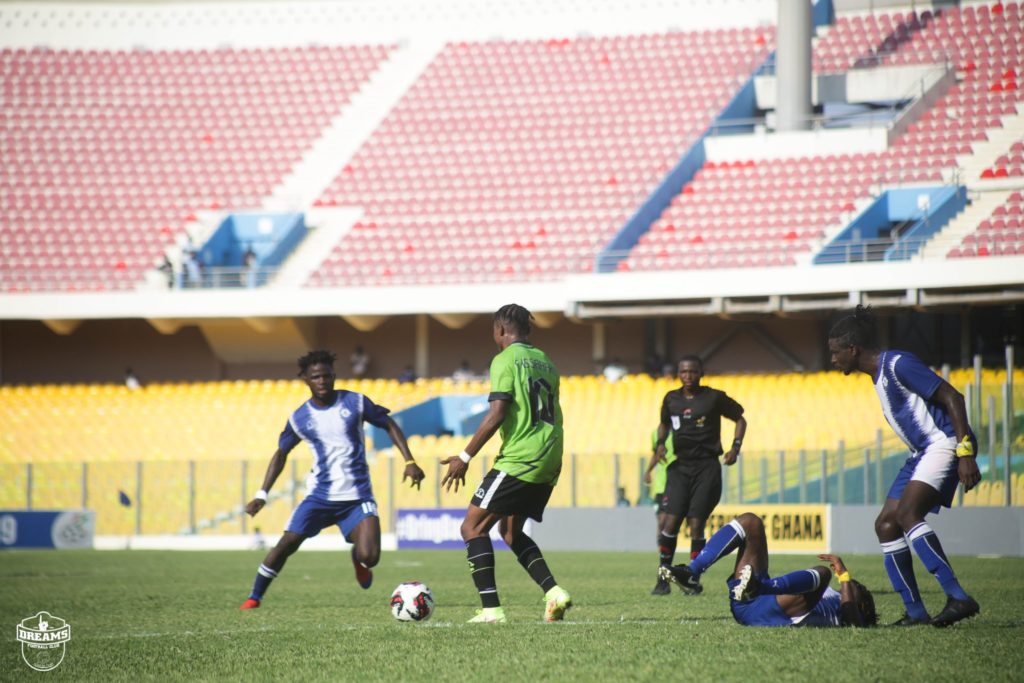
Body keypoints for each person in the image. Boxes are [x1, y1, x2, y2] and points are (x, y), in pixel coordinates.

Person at [828, 305, 981, 627]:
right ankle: (915, 612)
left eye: (835, 352)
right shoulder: (878, 376)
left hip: (944, 442)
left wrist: (965, 451)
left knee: (907, 514)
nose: (832, 359)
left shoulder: (898, 364)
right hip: (921, 452)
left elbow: (953, 397)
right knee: (886, 524)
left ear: (852, 349)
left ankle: (958, 596)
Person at [239, 350, 425, 609]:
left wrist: (409, 461)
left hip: (358, 497)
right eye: (316, 377)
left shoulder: (355, 402)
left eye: (327, 376)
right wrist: (262, 494)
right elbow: (281, 453)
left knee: (370, 557)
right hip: (320, 497)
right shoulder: (299, 418)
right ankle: (254, 597)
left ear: (334, 376)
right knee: (287, 543)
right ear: (305, 379)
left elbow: (388, 424)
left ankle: (357, 559)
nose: (322, 381)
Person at [440, 304, 572, 624]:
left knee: (472, 527)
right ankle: (554, 593)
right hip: (550, 455)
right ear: (529, 329)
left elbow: (497, 413)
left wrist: (465, 457)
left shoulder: (504, 359)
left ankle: (491, 611)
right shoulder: (546, 361)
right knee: (510, 531)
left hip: (521, 457)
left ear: (499, 330)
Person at [660, 512, 877, 628]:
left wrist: (844, 576)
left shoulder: (846, 611)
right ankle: (692, 572)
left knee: (824, 573)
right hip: (747, 600)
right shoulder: (833, 594)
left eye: (861, 590)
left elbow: (854, 623)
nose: (854, 585)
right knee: (751, 522)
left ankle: (759, 587)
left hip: (772, 612)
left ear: (865, 607)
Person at [649, 355, 747, 595]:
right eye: (684, 372)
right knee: (670, 522)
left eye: (693, 371)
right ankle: (663, 578)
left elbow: (740, 419)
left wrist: (735, 448)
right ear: (678, 374)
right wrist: (660, 444)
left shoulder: (713, 397)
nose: (688, 376)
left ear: (701, 373)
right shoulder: (671, 399)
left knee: (696, 524)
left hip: (706, 467)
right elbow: (664, 424)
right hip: (680, 467)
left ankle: (692, 578)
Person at [644, 425, 676, 595]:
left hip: (676, 483)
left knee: (668, 522)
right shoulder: (656, 434)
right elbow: (656, 454)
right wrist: (648, 471)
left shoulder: (681, 429)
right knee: (661, 522)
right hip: (660, 486)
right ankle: (663, 557)